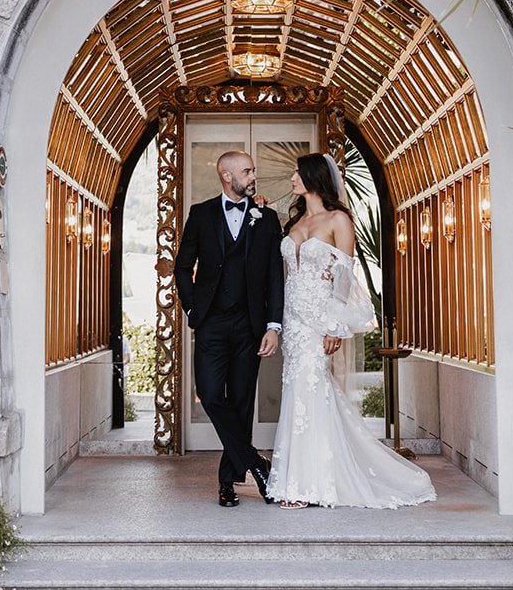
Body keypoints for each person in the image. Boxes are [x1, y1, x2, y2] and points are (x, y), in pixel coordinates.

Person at [266, 152, 437, 509]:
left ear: (313, 177)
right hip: (294, 322)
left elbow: (343, 278)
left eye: (297, 173)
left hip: (319, 321)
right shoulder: (293, 221)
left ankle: (309, 485)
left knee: (310, 390)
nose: (292, 179)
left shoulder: (338, 219)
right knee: (297, 391)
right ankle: (300, 479)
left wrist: (334, 325)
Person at [175, 150, 285, 507]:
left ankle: (227, 482)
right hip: (211, 323)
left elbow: (275, 276)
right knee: (209, 395)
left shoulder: (267, 218)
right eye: (247, 171)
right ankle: (255, 463)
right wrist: (193, 308)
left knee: (240, 403)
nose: (253, 177)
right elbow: (182, 267)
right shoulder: (200, 214)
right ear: (227, 175)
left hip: (250, 325)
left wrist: (273, 326)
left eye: (253, 171)